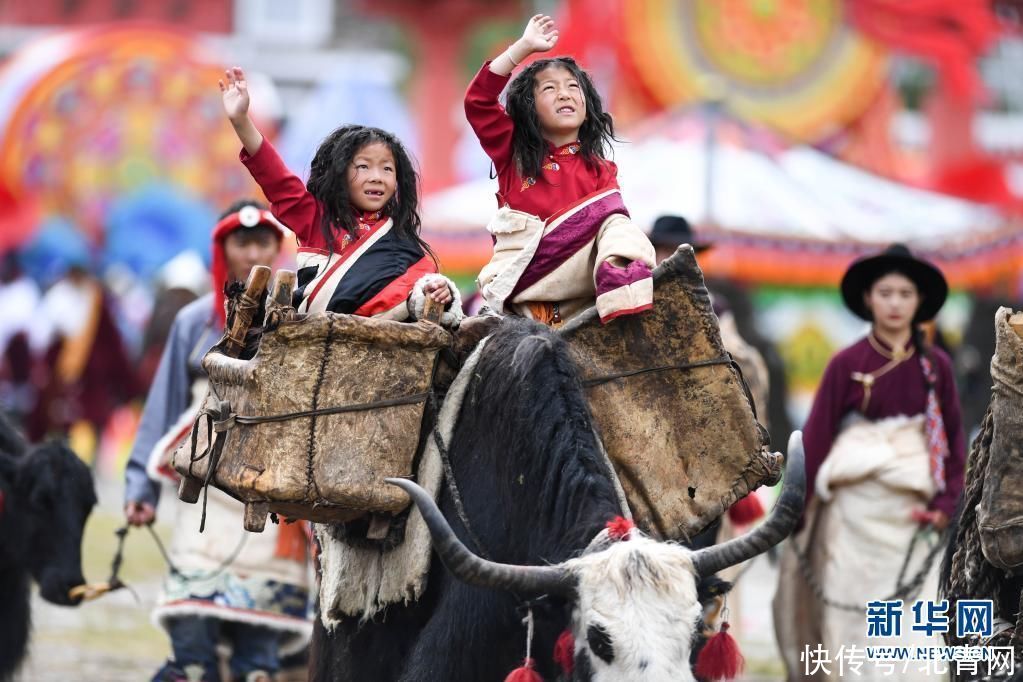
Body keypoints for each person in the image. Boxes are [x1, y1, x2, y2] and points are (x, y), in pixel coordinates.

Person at [124, 201, 312, 682]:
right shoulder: (194, 323)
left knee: (258, 668)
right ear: (223, 248)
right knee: (191, 659)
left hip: (269, 505)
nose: (253, 252)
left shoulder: (301, 320)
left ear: (277, 246)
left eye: (263, 241)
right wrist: (138, 490)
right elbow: (163, 407)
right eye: (241, 242)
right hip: (200, 501)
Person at [773, 243, 966, 682]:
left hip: (913, 523)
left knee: (915, 630)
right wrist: (796, 515)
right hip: (851, 521)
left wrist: (945, 506)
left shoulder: (936, 366)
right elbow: (818, 439)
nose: (895, 303)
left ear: (919, 302)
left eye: (904, 293)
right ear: (868, 298)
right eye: (885, 292)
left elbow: (953, 445)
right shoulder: (846, 364)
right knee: (850, 625)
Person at [220, 67, 461, 325]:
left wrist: (438, 291)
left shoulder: (407, 247)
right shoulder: (315, 218)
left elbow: (420, 299)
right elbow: (276, 177)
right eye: (363, 167)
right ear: (340, 175)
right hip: (308, 354)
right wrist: (241, 121)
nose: (377, 177)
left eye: (387, 169)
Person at [465, 14, 655, 326]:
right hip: (521, 299)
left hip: (583, 304)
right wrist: (523, 47)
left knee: (618, 223)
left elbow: (610, 230)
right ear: (529, 106)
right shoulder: (512, 153)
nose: (565, 93)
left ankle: (624, 284)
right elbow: (478, 101)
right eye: (549, 89)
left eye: (572, 86)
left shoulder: (601, 170)